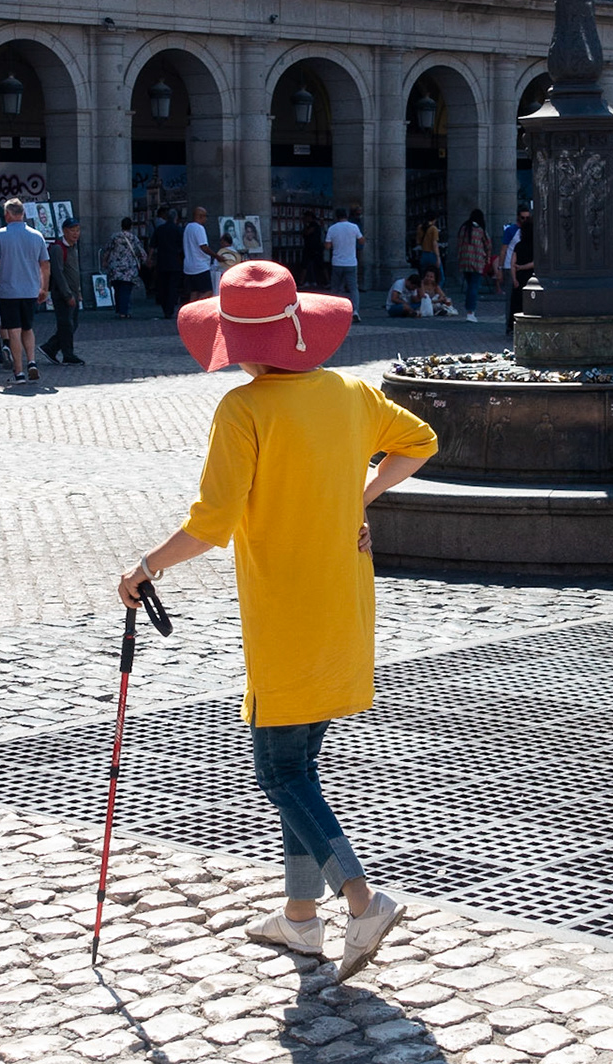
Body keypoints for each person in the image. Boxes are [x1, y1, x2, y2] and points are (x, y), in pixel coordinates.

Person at [118, 260, 437, 982]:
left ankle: (361, 898)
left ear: (235, 340)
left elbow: (212, 524)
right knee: (300, 764)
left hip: (287, 612)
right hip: (343, 602)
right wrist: (363, 494)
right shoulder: (351, 392)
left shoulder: (245, 410)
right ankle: (300, 919)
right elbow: (420, 440)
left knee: (278, 770)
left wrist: (144, 568)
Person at [0, 197, 51, 384]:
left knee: (13, 331)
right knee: (28, 328)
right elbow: (45, 265)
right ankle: (32, 362)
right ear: (22, 213)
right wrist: (44, 288)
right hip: (30, 290)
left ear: (7, 215)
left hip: (8, 290)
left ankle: (19, 372)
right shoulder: (37, 235)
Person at [42, 218, 84, 365]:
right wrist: (67, 294)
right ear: (65, 231)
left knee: (73, 324)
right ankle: (68, 354)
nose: (76, 234)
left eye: (77, 230)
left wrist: (77, 291)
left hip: (73, 291)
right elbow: (58, 273)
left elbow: (75, 271)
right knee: (66, 324)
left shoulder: (74, 247)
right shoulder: (58, 248)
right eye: (72, 230)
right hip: (62, 293)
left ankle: (50, 347)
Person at [101, 218, 147, 320]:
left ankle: (119, 309)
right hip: (128, 269)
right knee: (126, 290)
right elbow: (141, 252)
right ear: (130, 226)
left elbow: (107, 250)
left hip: (115, 268)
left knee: (117, 289)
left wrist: (104, 262)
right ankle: (124, 311)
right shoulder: (133, 238)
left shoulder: (114, 237)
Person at [324, 206, 365, 322]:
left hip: (337, 262)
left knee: (336, 288)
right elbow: (362, 240)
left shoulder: (332, 228)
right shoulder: (354, 227)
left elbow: (327, 246)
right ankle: (355, 311)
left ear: (336, 217)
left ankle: (334, 311)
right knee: (353, 288)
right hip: (351, 262)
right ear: (347, 216)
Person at [454, 209, 492, 323]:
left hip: (464, 261)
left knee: (470, 285)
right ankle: (470, 311)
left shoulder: (463, 229)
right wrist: (487, 258)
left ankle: (468, 309)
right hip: (477, 262)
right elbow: (488, 245)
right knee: (474, 287)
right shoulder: (480, 230)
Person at [151, 207, 184, 319]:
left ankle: (165, 309)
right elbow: (183, 247)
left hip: (162, 262)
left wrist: (149, 259)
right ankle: (169, 310)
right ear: (176, 218)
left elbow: (152, 246)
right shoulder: (178, 230)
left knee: (163, 287)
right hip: (175, 262)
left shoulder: (160, 229)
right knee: (172, 287)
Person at [508, 209, 535, 334]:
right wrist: (523, 267)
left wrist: (514, 278)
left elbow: (513, 263)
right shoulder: (535, 246)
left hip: (519, 277)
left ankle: (513, 326)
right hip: (530, 276)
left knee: (516, 303)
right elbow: (535, 263)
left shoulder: (519, 245)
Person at [181, 206, 214, 306]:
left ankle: (190, 312)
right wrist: (216, 256)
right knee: (208, 291)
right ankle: (197, 308)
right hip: (200, 266)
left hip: (189, 266)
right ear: (200, 216)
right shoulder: (199, 228)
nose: (206, 219)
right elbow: (203, 246)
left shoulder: (188, 227)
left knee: (194, 292)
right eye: (205, 216)